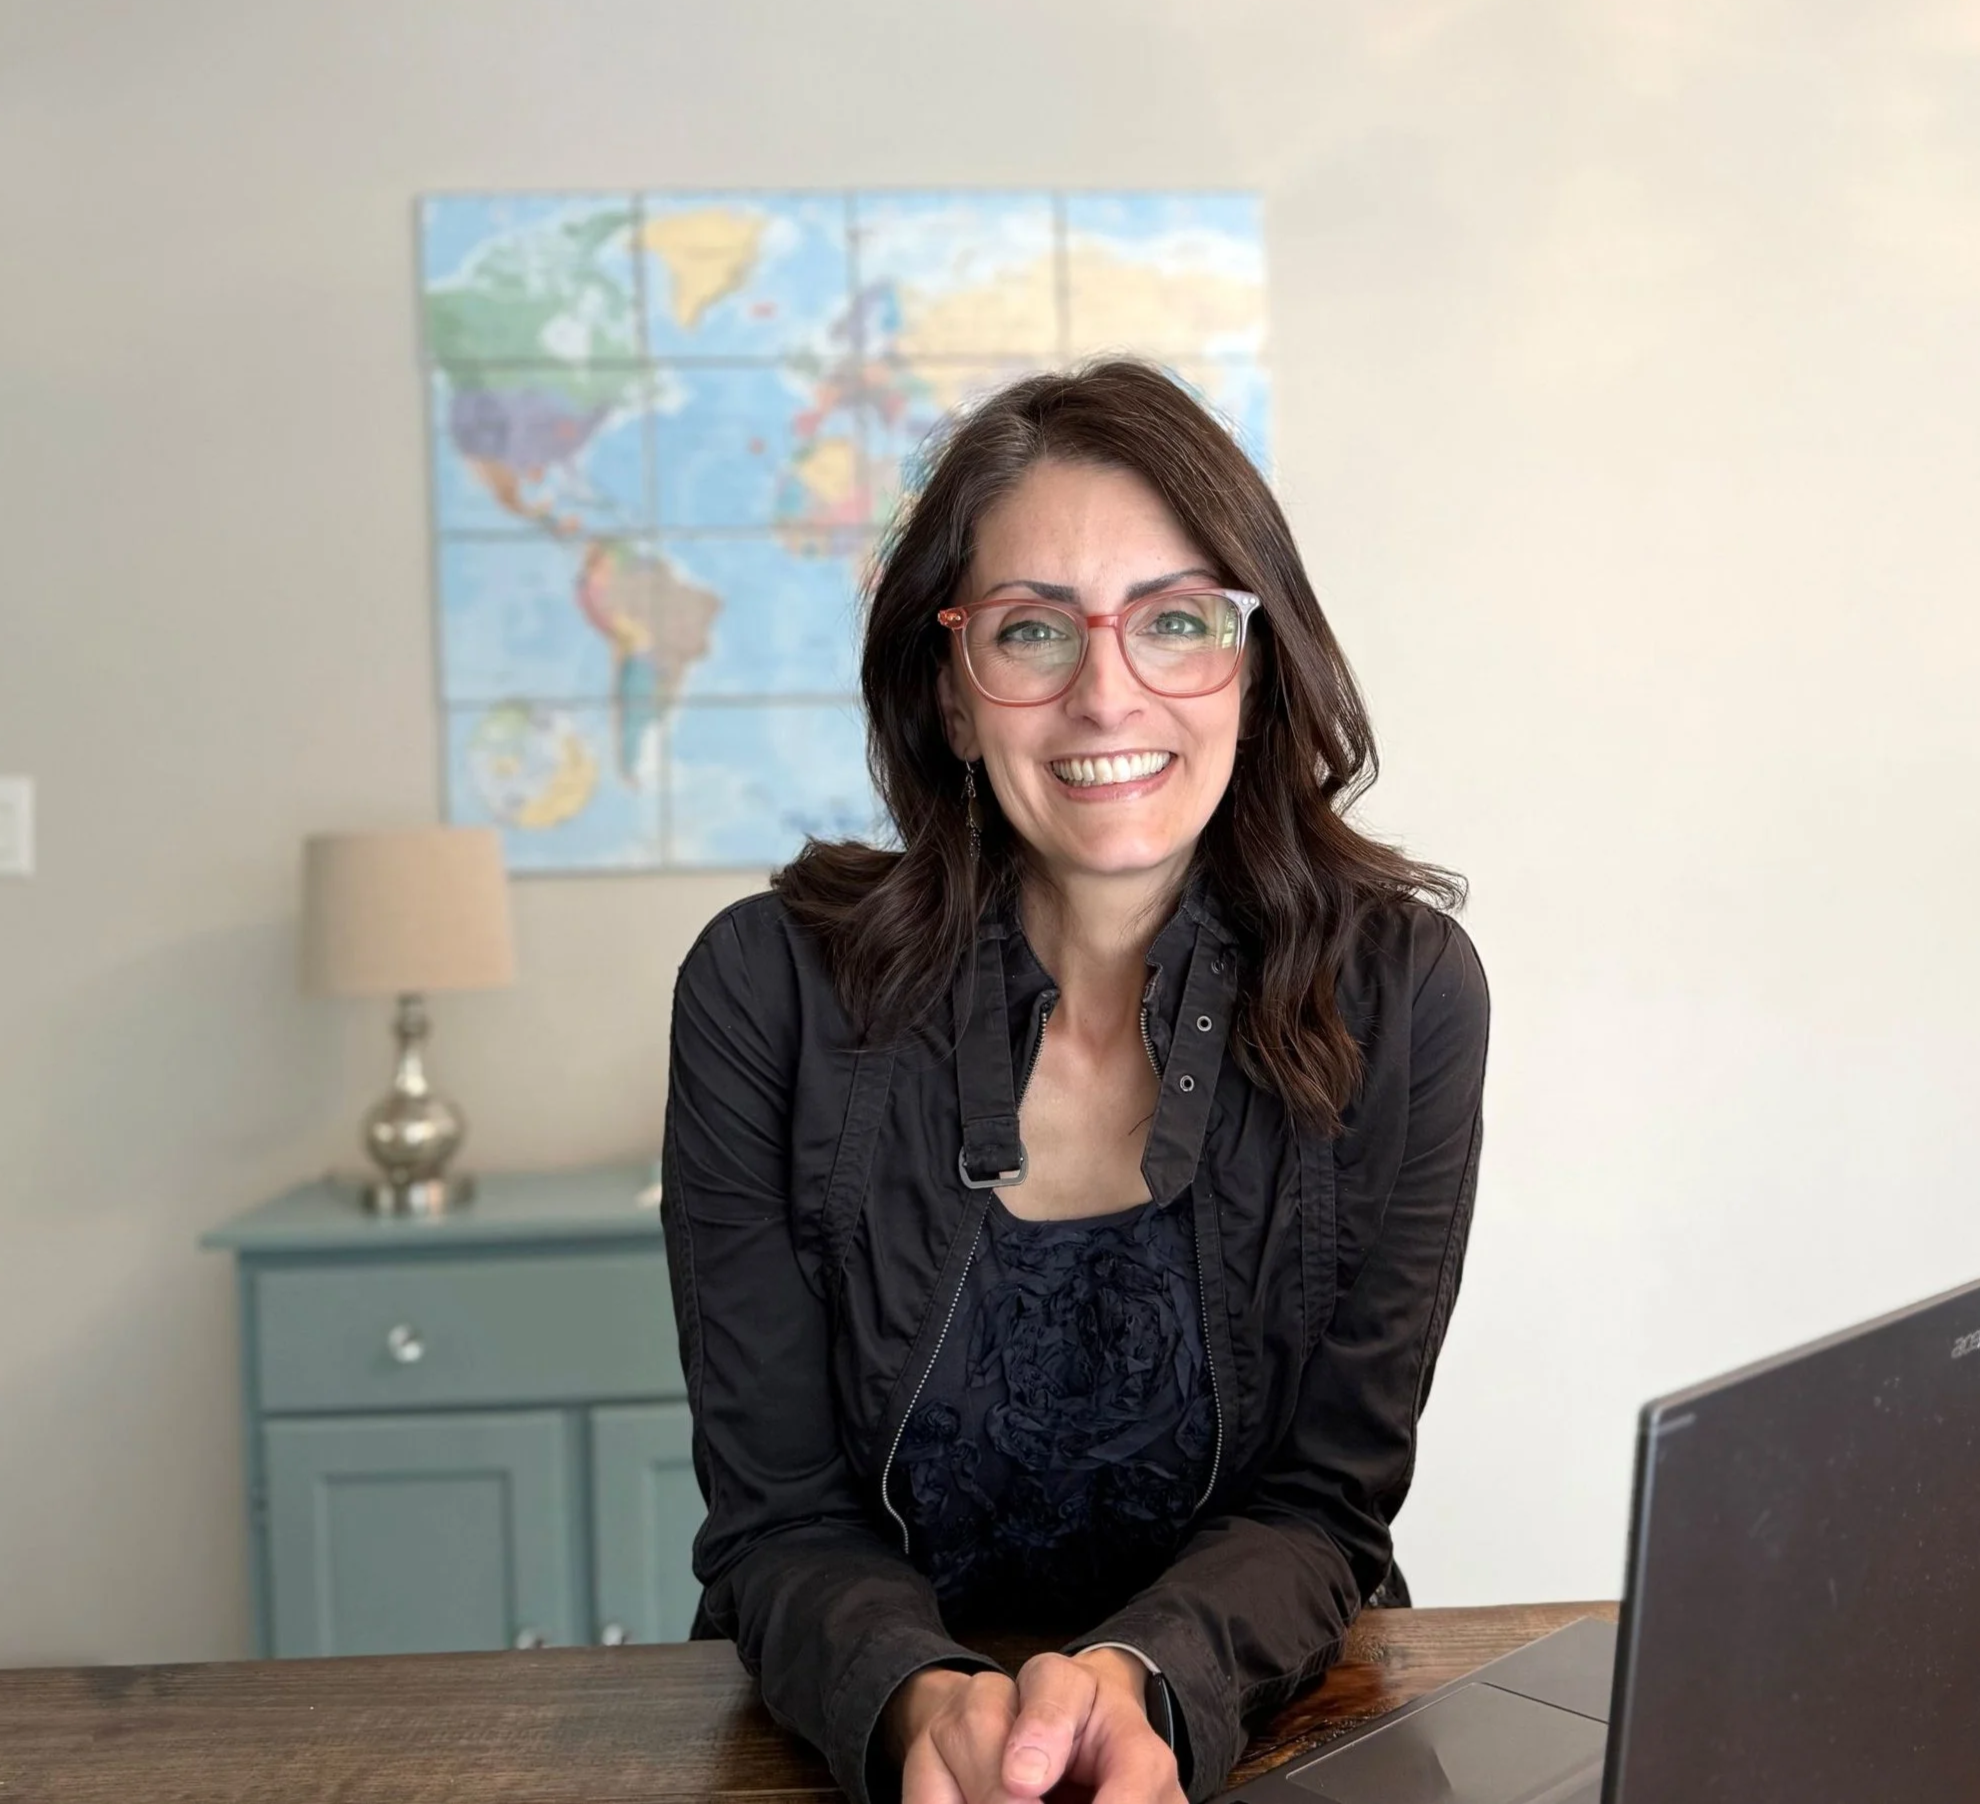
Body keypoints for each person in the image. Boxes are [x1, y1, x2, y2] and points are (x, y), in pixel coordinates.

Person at [661, 358, 1490, 1804]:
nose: (1108, 696)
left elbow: (1325, 1504)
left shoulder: (1403, 997)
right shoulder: (764, 992)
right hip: (851, 1742)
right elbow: (776, 1522)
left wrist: (1138, 1688)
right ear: (952, 692)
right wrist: (920, 1709)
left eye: (1177, 621)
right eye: (1033, 631)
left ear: (1257, 664)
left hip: (1261, 1720)